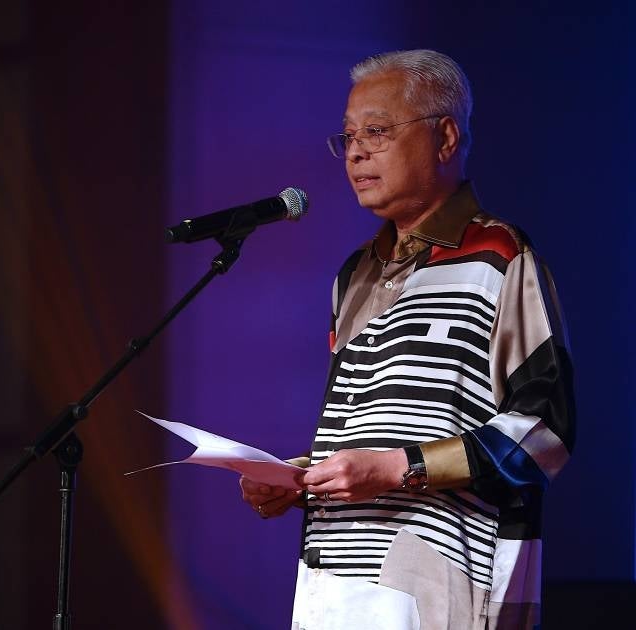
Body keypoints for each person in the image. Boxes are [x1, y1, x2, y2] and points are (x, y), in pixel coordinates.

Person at [240, 49, 575, 630]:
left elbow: (545, 433)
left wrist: (398, 467)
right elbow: (374, 428)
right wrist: (301, 476)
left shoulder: (501, 257)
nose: (356, 151)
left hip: (436, 580)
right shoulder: (354, 274)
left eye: (376, 131)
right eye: (346, 137)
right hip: (334, 579)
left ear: (445, 138)